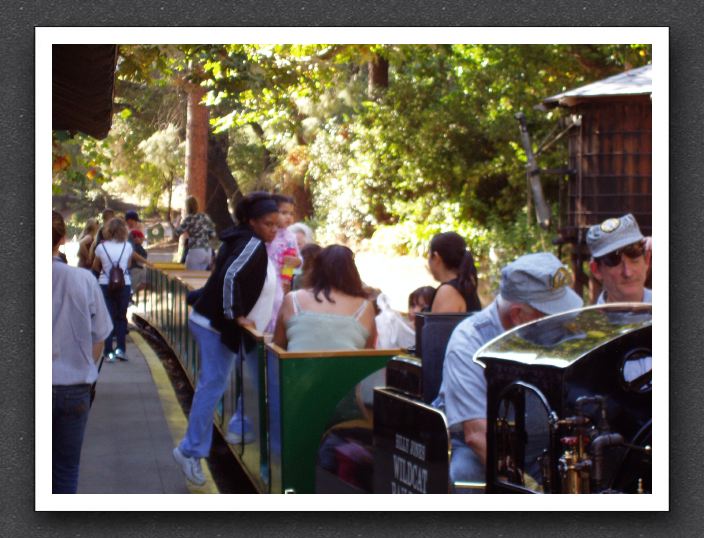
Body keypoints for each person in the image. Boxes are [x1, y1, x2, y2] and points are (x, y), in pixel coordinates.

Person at [433, 252, 583, 490]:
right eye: (550, 317)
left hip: (546, 447)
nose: (561, 323)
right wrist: (528, 490)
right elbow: (477, 435)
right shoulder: (469, 342)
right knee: (466, 478)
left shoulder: (557, 331)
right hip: (481, 452)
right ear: (517, 316)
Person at [172, 191, 280, 486]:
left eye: (276, 224)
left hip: (210, 322)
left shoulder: (243, 239)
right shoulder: (252, 244)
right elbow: (231, 277)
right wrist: (236, 314)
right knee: (211, 387)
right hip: (215, 325)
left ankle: (193, 449)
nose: (274, 229)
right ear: (252, 222)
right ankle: (190, 450)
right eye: (268, 224)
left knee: (213, 386)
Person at [52, 211, 113, 493]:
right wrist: (83, 363)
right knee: (65, 469)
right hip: (73, 387)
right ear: (62, 239)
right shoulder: (82, 280)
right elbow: (100, 335)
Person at [273, 245, 378, 351]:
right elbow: (368, 353)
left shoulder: (292, 299)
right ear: (353, 272)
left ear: (315, 270)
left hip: (296, 367)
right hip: (347, 367)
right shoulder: (365, 306)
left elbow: (277, 348)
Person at [91, 217, 151, 362]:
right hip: (124, 285)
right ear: (123, 231)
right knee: (121, 317)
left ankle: (108, 352)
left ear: (108, 231)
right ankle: (121, 350)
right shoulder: (128, 247)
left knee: (108, 317)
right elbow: (129, 264)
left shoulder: (101, 247)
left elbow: (95, 266)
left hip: (105, 284)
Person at [586, 213, 652, 304]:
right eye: (614, 261)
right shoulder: (590, 318)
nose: (627, 273)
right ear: (596, 270)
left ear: (647, 260)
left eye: (634, 260)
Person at [264, 194, 302, 333]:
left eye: (291, 213)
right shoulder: (266, 232)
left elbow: (297, 260)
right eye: (284, 213)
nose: (288, 217)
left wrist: (297, 262)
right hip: (264, 279)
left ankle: (272, 338)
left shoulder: (290, 236)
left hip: (282, 282)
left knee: (278, 307)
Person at [427, 232, 482, 313]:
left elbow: (438, 325)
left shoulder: (448, 292)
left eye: (428, 255)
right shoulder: (466, 285)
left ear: (436, 257)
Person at [174, 196, 217, 270]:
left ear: (187, 207)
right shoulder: (205, 216)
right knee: (203, 278)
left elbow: (176, 234)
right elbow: (213, 234)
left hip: (195, 251)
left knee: (190, 277)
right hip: (207, 252)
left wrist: (177, 224)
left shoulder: (189, 218)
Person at [128, 229, 148, 297]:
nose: (142, 240)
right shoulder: (135, 247)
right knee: (131, 288)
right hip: (135, 269)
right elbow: (140, 257)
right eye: (142, 239)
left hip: (138, 268)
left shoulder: (136, 246)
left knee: (143, 283)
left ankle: (131, 295)